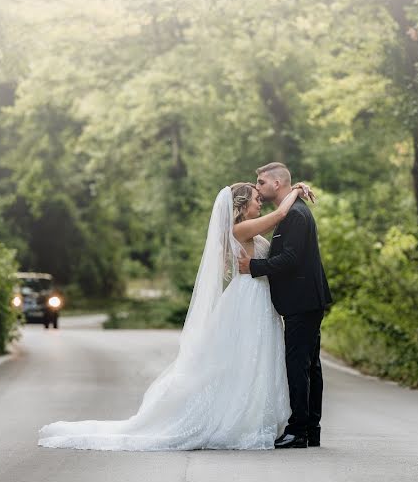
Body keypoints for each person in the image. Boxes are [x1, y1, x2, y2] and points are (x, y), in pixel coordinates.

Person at [37, 180, 312, 451]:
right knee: (247, 357)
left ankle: (255, 417)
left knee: (256, 359)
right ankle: (241, 420)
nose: (259, 201)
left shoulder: (249, 232)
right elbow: (280, 214)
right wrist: (297, 189)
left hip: (257, 299)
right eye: (255, 198)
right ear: (241, 205)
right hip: (248, 300)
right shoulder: (239, 229)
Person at [238, 162, 332, 449]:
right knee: (309, 365)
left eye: (261, 181)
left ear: (277, 184)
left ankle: (299, 430)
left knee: (299, 365)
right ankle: (310, 429)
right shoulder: (290, 212)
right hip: (305, 300)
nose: (259, 186)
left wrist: (253, 266)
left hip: (302, 300)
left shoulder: (295, 216)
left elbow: (290, 259)